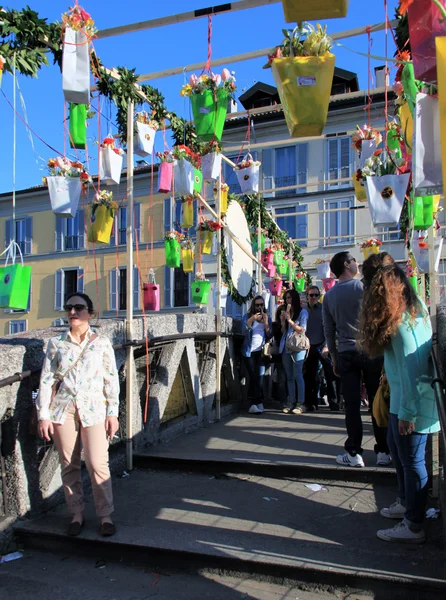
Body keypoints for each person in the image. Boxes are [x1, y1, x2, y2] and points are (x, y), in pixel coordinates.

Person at [359, 256, 440, 543]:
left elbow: (412, 371)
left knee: (412, 461)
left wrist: (407, 412)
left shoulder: (402, 322)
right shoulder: (406, 307)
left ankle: (413, 524)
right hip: (404, 401)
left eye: (366, 284)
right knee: (400, 452)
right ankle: (406, 505)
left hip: (412, 404)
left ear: (377, 287)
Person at [37, 292, 120, 537]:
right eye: (69, 308)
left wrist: (113, 413)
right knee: (68, 465)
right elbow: (45, 380)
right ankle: (76, 514)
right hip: (63, 410)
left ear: (90, 314)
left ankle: (105, 515)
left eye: (79, 308)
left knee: (97, 463)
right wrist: (44, 414)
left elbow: (111, 380)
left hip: (94, 408)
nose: (73, 312)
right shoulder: (56, 344)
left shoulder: (101, 343)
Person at [322, 251, 390, 467]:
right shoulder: (364, 288)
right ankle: (383, 451)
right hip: (370, 350)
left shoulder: (329, 296)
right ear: (345, 264)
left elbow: (328, 331)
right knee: (375, 401)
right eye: (353, 261)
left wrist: (333, 357)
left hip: (345, 353)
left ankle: (353, 452)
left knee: (351, 405)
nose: (357, 263)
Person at [304, 285, 340, 411]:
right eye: (311, 295)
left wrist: (326, 346)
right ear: (307, 296)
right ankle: (312, 403)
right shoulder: (304, 311)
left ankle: (334, 401)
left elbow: (330, 327)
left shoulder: (324, 308)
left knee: (331, 374)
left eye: (316, 295)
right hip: (309, 346)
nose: (314, 297)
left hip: (323, 344)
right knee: (310, 376)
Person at [241, 295, 272, 414]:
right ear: (253, 306)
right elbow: (243, 331)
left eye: (261, 305)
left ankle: (257, 403)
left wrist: (266, 323)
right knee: (253, 376)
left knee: (259, 377)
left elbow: (269, 335)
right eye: (257, 305)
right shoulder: (247, 316)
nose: (259, 307)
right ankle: (256, 403)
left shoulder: (266, 317)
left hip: (261, 352)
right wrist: (251, 319)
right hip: (249, 351)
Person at [281, 289, 309, 414]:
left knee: (298, 374)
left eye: (290, 298)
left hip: (298, 345)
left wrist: (290, 321)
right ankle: (291, 401)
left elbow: (302, 330)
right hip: (286, 345)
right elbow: (283, 332)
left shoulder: (303, 312)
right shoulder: (288, 312)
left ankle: (301, 403)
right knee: (289, 376)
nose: (288, 301)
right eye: (287, 298)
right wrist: (283, 322)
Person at [270, 304, 288, 407]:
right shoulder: (275, 325)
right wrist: (282, 323)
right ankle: (283, 402)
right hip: (280, 353)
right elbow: (273, 335)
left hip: (291, 352)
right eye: (281, 313)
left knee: (291, 378)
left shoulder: (291, 324)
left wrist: (286, 322)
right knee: (281, 378)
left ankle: (292, 400)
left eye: (285, 312)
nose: (283, 315)